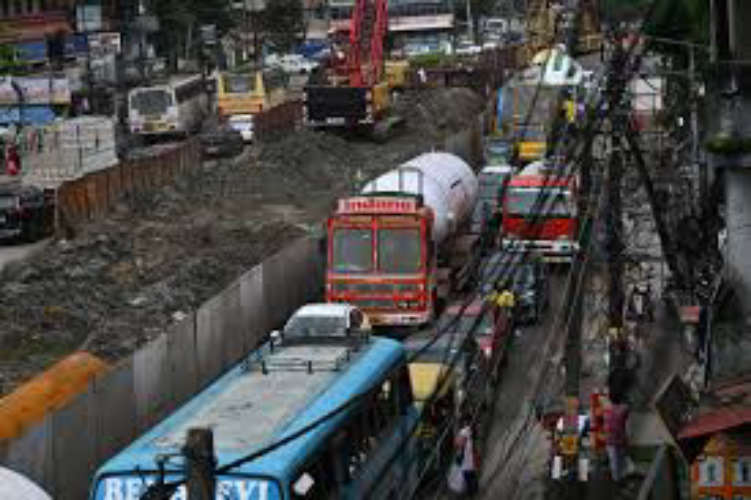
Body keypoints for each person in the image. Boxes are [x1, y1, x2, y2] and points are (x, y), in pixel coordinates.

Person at [603, 393, 630, 482]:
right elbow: (627, 408)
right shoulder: (622, 410)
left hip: (611, 440)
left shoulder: (607, 410)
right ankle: (621, 479)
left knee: (615, 463)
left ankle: (617, 480)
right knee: (621, 461)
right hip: (619, 439)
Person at [454, 414, 479, 497]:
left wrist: (457, 441)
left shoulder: (464, 431)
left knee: (467, 475)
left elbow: (458, 443)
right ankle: (474, 490)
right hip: (470, 455)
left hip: (466, 457)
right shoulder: (471, 430)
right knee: (472, 473)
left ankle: (471, 492)